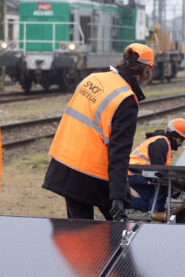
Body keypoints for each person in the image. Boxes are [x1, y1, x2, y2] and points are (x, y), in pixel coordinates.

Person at [43, 43, 154, 221]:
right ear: (146, 72)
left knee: (77, 232)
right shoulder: (126, 99)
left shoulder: (93, 78)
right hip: (92, 172)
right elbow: (119, 152)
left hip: (65, 164)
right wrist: (118, 196)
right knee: (119, 235)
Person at [127, 118, 185, 212]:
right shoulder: (160, 144)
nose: (181, 144)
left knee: (150, 203)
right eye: (181, 140)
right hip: (134, 173)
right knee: (163, 185)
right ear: (174, 136)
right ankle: (158, 210)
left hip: (133, 172)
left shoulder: (162, 143)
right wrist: (173, 189)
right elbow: (158, 172)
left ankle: (124, 202)